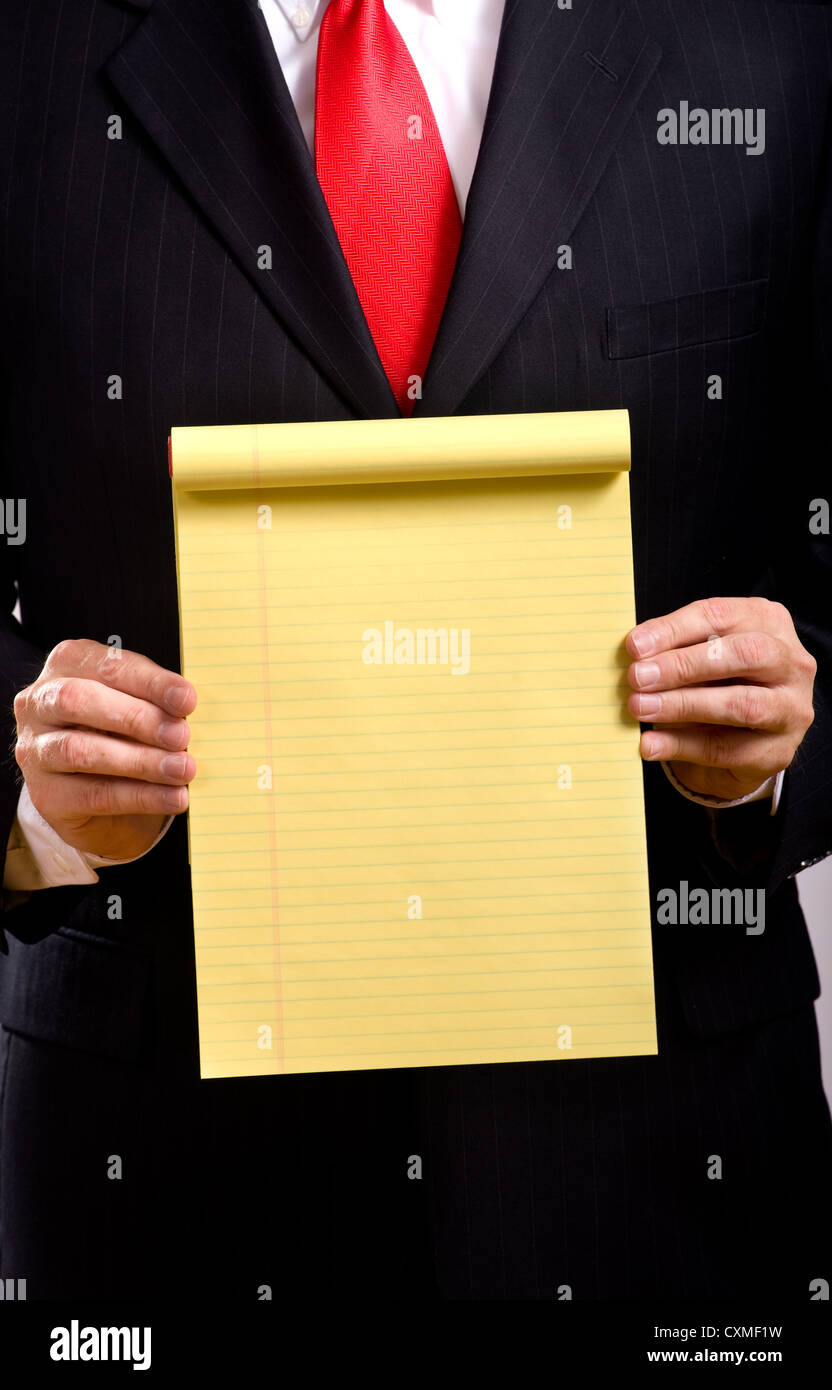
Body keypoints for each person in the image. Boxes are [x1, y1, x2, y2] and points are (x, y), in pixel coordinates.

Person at [0, 0, 830, 1300]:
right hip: (156, 1197)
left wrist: (784, 738)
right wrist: (30, 809)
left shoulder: (773, 40)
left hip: (658, 1187)